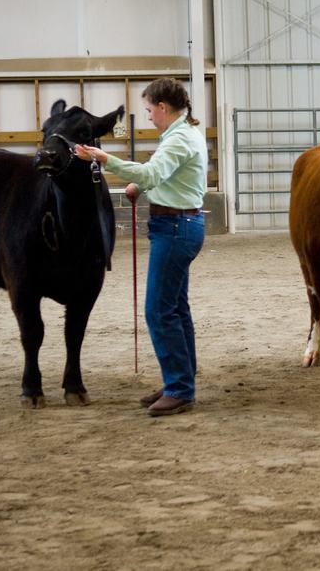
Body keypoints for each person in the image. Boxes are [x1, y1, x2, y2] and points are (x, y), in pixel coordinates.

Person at [75, 78, 208, 416]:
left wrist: (106, 159)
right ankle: (180, 379)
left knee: (159, 310)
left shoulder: (179, 138)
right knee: (175, 308)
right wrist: (141, 185)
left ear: (163, 107)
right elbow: (164, 176)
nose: (148, 116)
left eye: (149, 110)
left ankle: (180, 388)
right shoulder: (184, 133)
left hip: (175, 228)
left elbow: (152, 174)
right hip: (180, 226)